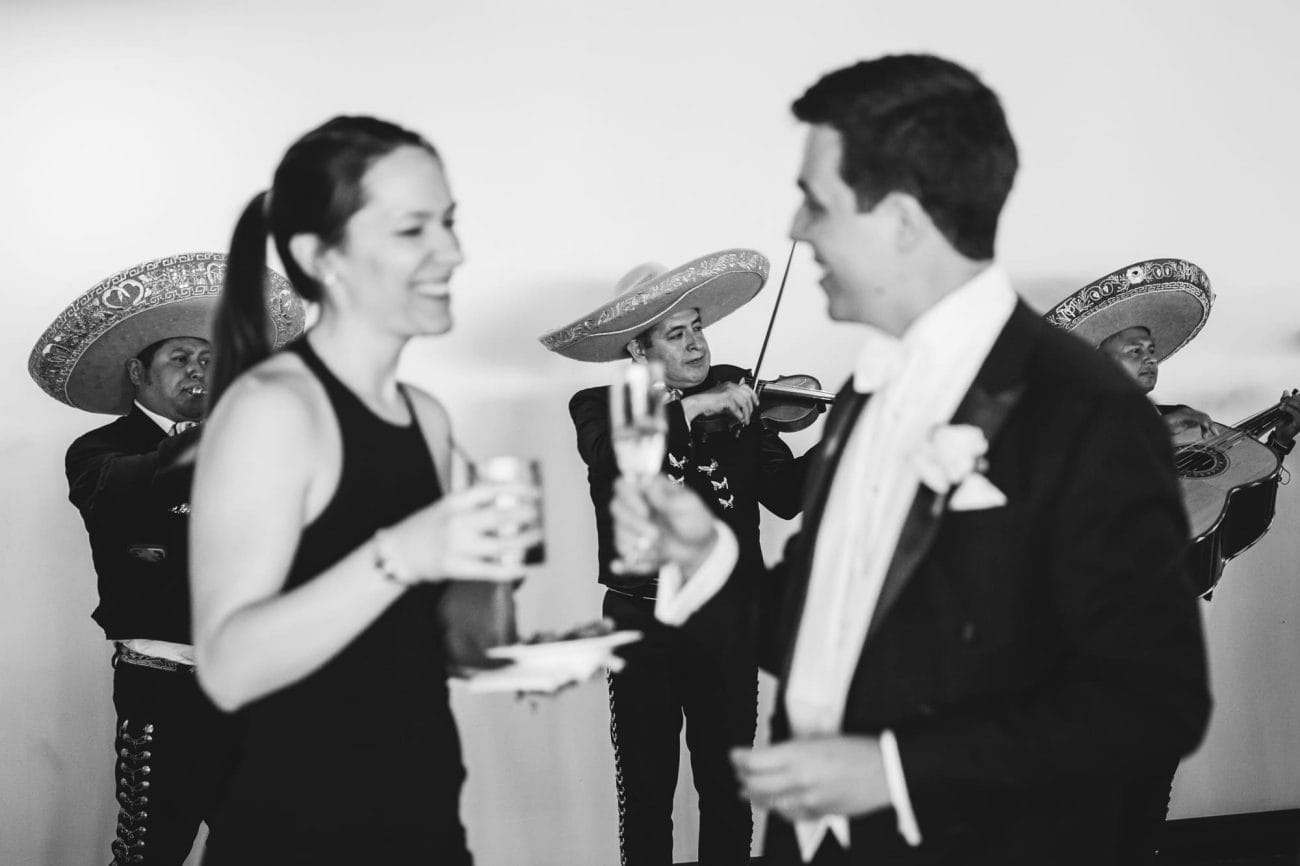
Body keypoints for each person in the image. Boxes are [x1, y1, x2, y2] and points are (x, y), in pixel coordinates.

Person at [610, 55, 1211, 865]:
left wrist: (893, 773)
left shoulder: (1085, 409)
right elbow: (828, 622)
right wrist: (709, 561)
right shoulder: (865, 396)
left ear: (899, 219)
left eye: (814, 202)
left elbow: (1153, 704)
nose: (795, 229)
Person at [189, 116, 541, 865]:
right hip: (297, 835)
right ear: (324, 257)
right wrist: (402, 554)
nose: (454, 251)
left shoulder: (428, 418)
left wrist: (494, 598)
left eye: (448, 223)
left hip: (425, 822)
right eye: (415, 229)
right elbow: (226, 668)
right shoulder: (274, 410)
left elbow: (435, 643)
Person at [27, 252, 304, 865]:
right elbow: (122, 496)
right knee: (151, 850)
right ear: (138, 372)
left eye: (211, 360)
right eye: (182, 358)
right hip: (165, 690)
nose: (199, 372)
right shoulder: (100, 451)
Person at [539, 250, 809, 865]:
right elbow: (612, 455)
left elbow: (789, 498)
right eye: (676, 333)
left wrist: (851, 435)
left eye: (699, 328)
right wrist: (691, 409)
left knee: (728, 787)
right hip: (639, 623)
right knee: (646, 789)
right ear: (638, 351)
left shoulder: (742, 401)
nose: (697, 345)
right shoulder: (597, 409)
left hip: (727, 625)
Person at [1046, 257, 1300, 863]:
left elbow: (1224, 491)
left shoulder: (1178, 420)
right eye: (1134, 347)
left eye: (1153, 348)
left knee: (1150, 770)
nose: (1150, 356)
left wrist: (1283, 434)